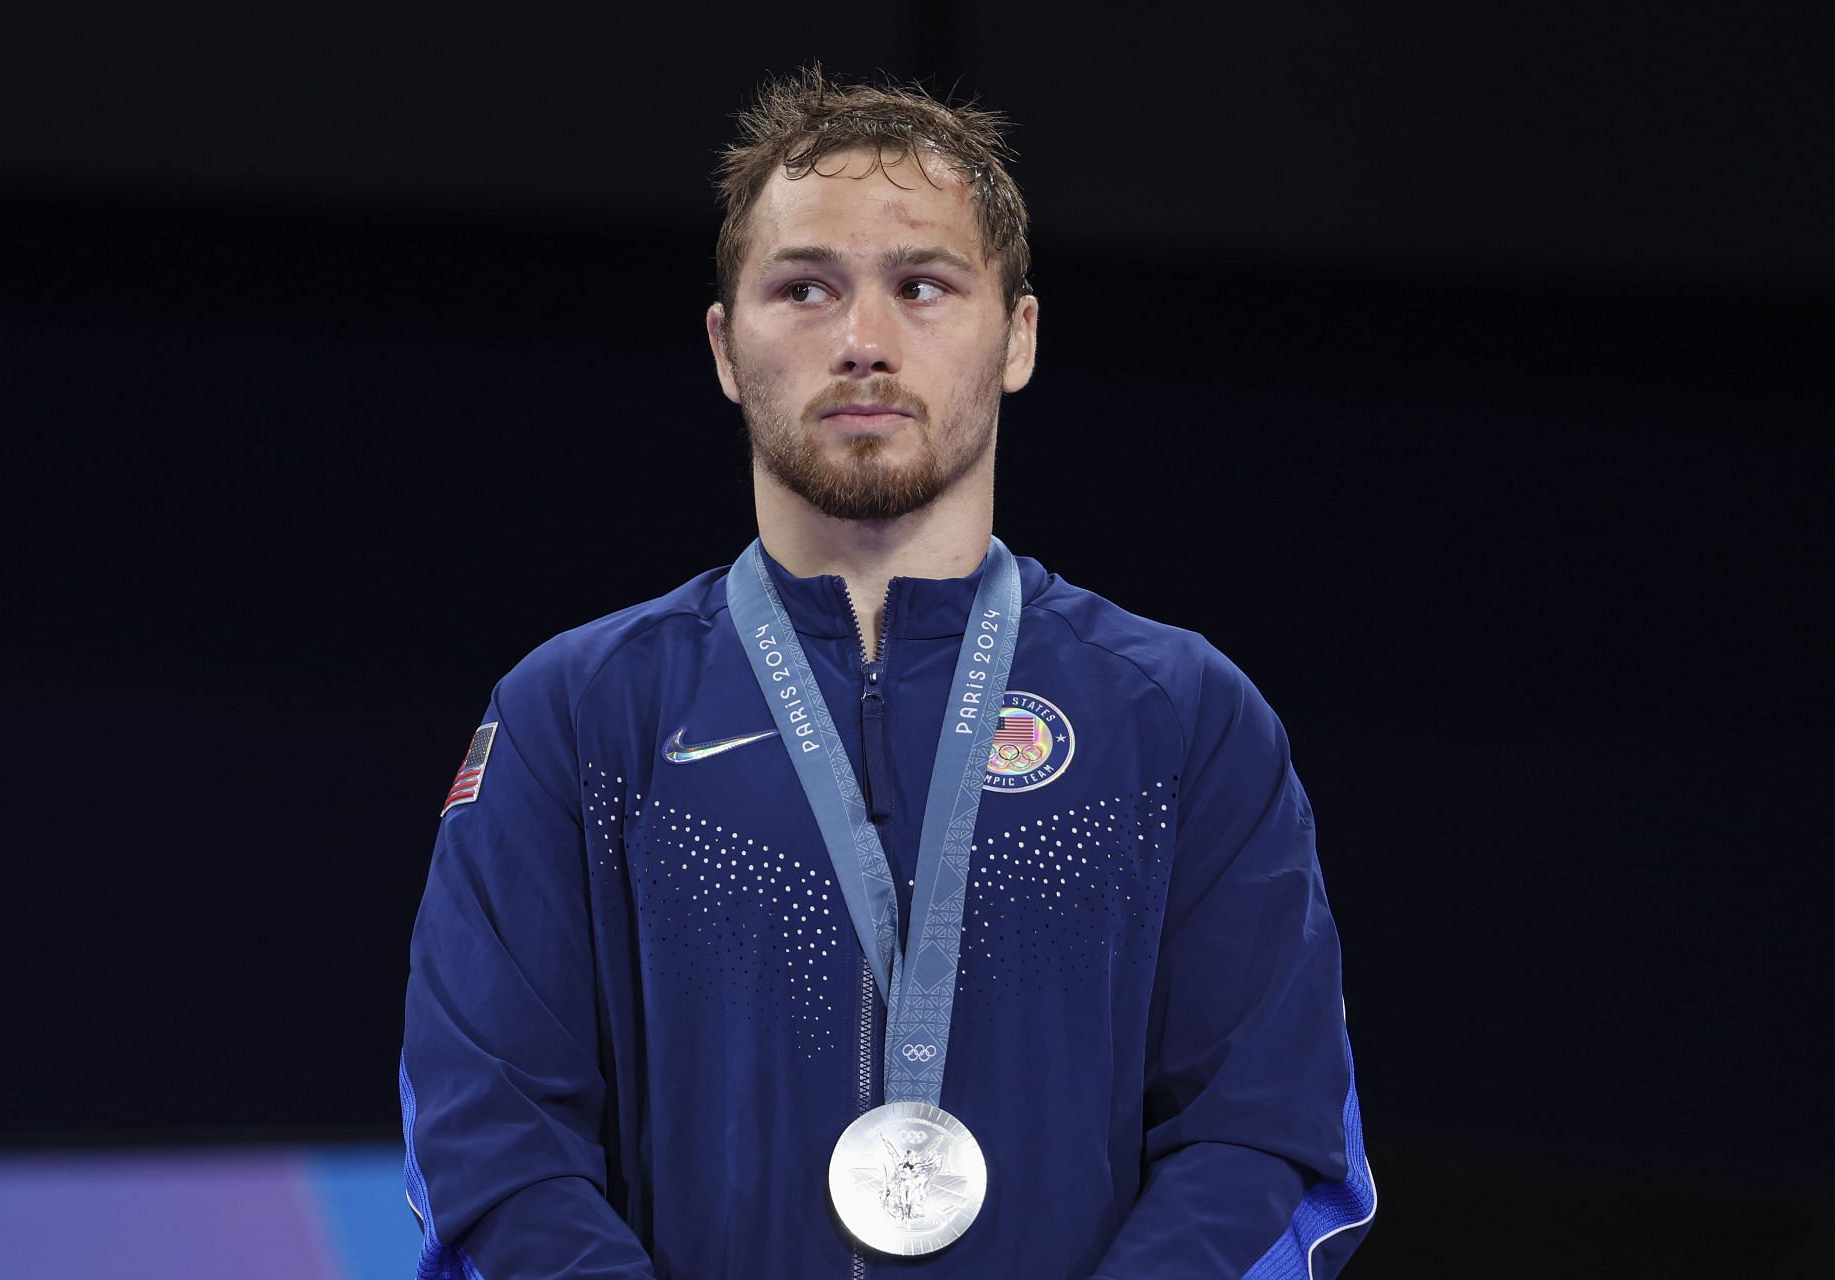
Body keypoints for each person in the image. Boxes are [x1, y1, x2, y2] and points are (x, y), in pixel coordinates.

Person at [400, 67, 1375, 1280]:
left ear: (1017, 334)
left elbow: (1262, 1136)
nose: (863, 340)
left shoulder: (1182, 720)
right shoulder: (575, 718)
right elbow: (494, 1145)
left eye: (922, 286)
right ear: (722, 344)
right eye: (805, 287)